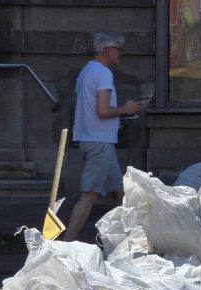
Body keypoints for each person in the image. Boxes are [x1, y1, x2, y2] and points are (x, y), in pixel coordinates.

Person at [64, 31, 144, 242]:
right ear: (107, 50)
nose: (121, 54)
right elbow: (102, 110)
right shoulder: (103, 73)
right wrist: (125, 109)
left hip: (96, 141)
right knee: (89, 196)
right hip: (99, 142)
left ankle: (121, 241)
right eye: (119, 49)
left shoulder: (87, 71)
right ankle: (64, 246)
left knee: (120, 193)